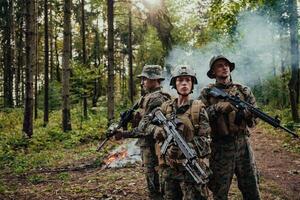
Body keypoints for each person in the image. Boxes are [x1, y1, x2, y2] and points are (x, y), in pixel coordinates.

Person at [199, 55, 261, 200]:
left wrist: (247, 114)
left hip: (243, 145)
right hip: (220, 147)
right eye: (220, 65)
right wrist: (217, 108)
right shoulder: (207, 93)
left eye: (226, 65)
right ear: (213, 72)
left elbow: (254, 121)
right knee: (220, 191)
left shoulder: (243, 90)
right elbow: (200, 118)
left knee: (251, 188)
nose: (224, 67)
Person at [153, 65, 211, 200]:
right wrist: (158, 132)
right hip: (169, 171)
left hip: (190, 170)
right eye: (180, 80)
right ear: (174, 84)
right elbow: (147, 126)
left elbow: (206, 141)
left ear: (192, 84)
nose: (184, 83)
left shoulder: (198, 109)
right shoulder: (165, 107)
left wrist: (185, 148)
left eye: (187, 80)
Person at [114, 65, 171, 200]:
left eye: (145, 79)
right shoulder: (146, 97)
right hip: (148, 146)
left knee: (155, 184)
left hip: (154, 147)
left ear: (154, 79)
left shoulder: (157, 99)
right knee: (152, 181)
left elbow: (144, 128)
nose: (142, 82)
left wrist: (124, 134)